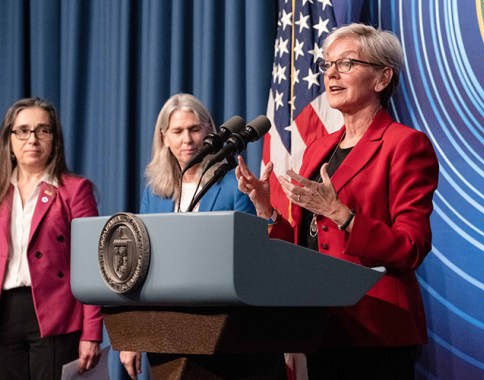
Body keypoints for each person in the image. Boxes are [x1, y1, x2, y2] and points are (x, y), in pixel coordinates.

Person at [235, 23, 439, 379]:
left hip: (376, 329)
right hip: (320, 325)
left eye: (346, 64)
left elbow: (412, 246)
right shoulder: (319, 147)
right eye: (327, 65)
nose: (331, 73)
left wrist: (342, 215)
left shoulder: (405, 144)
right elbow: (304, 243)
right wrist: (267, 209)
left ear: (381, 77)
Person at [118, 93, 256, 379]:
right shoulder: (155, 192)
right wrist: (133, 334)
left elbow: (249, 255)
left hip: (220, 326)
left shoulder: (235, 185)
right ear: (164, 137)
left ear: (209, 130)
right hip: (165, 327)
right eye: (178, 131)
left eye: (194, 129)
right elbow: (142, 264)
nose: (187, 139)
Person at [0, 97, 102, 379]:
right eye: (22, 130)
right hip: (5, 314)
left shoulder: (75, 190)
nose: (32, 139)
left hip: (55, 316)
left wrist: (91, 331)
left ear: (55, 140)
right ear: (9, 140)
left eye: (42, 130)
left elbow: (92, 264)